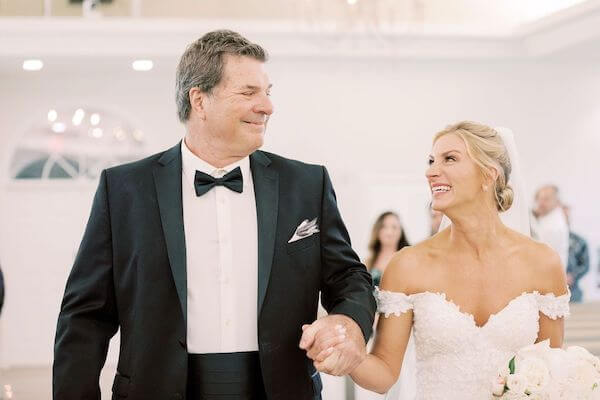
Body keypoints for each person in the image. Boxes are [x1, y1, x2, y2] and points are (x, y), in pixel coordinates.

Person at [53, 30, 375, 400]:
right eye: (248, 92)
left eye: (268, 92)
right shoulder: (124, 189)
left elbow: (349, 275)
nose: (267, 106)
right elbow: (85, 316)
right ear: (199, 100)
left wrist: (349, 321)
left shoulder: (306, 183)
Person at [307, 121, 569, 399]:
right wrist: (352, 356)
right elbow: (383, 375)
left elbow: (550, 373)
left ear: (488, 175)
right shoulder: (407, 265)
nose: (431, 172)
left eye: (450, 159)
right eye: (431, 161)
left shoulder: (542, 263)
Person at [365, 212, 410, 287]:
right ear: (377, 230)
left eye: (394, 227)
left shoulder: (408, 260)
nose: (389, 232)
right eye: (384, 227)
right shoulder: (368, 262)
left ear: (401, 232)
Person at [531, 185, 569, 270]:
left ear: (557, 202)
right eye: (539, 199)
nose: (540, 203)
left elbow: (539, 255)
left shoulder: (554, 226)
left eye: (546, 199)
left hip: (548, 273)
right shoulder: (546, 215)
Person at [562, 204, 590, 303]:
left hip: (573, 294)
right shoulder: (543, 241)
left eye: (566, 216)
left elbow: (585, 265)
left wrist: (572, 275)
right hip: (548, 295)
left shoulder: (579, 241)